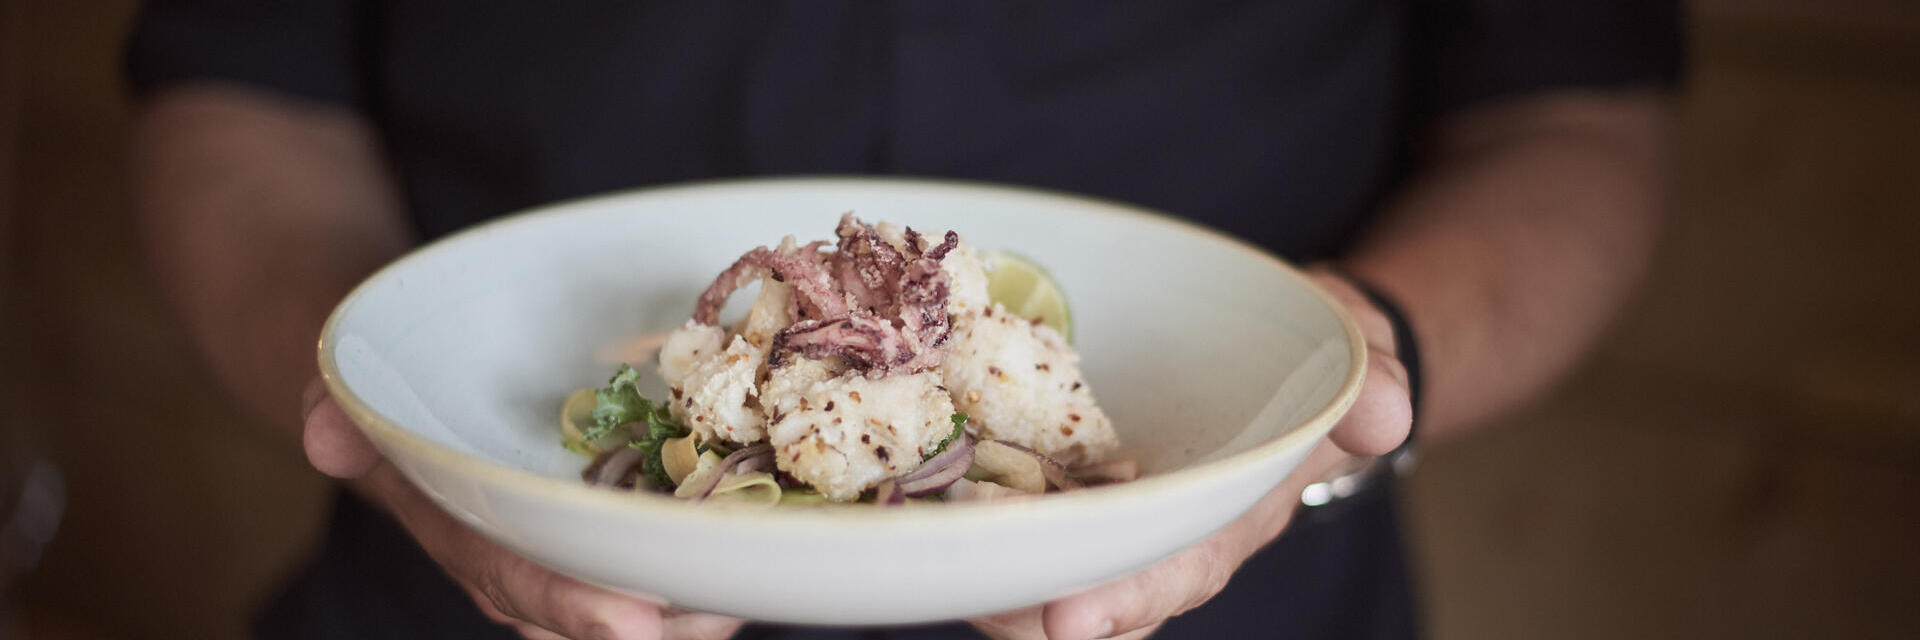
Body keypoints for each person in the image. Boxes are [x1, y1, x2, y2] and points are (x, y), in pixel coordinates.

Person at [125, 2, 1680, 638]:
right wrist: (393, 393)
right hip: (453, 582)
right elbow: (241, 93)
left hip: (1248, 593)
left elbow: (1573, 117)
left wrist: (1341, 371)